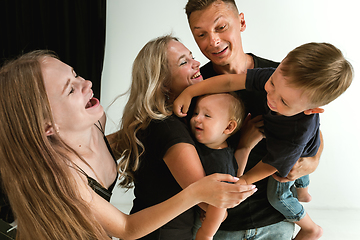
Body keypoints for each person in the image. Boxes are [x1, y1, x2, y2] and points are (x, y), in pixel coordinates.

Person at [0, 50, 259, 240]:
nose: (87, 83)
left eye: (76, 74)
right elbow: (127, 228)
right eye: (70, 89)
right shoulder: (63, 175)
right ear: (48, 126)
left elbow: (122, 140)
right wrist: (195, 192)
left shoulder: (97, 121)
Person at [173, 42, 353, 240]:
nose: (272, 97)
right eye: (273, 84)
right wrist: (191, 92)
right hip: (281, 147)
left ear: (310, 110)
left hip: (291, 156)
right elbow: (229, 82)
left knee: (278, 192)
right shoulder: (275, 76)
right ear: (281, 64)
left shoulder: (297, 132)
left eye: (284, 102)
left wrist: (242, 182)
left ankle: (310, 228)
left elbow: (271, 164)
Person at [184, 0, 324, 239]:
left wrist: (313, 162)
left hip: (273, 221)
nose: (213, 41)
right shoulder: (195, 86)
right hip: (219, 226)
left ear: (241, 22)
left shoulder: (278, 77)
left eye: (221, 27)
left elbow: (311, 130)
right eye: (201, 34)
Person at [110, 35, 261, 240]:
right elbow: (214, 202)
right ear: (162, 83)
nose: (196, 63)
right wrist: (244, 148)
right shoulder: (170, 129)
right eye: (184, 62)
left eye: (191, 56)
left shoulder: (169, 121)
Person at [190, 93, 264, 240]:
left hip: (205, 224)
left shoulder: (220, 163)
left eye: (207, 116)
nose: (197, 119)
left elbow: (221, 202)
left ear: (229, 127)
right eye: (196, 113)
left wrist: (205, 234)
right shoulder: (211, 148)